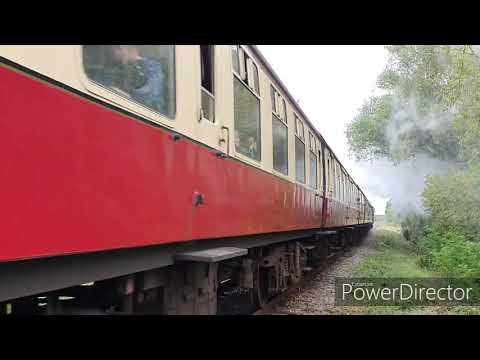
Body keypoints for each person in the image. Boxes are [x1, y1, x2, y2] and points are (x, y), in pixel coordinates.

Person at [110, 45, 166, 114]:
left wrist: (125, 95)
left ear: (122, 48)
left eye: (116, 48)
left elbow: (152, 100)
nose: (114, 53)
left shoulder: (152, 68)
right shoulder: (118, 69)